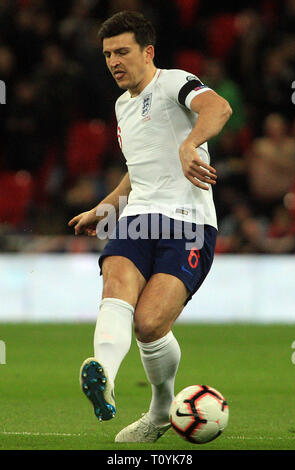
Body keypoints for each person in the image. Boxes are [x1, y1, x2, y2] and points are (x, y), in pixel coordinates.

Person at [68, 10, 232, 443]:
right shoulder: (122, 106)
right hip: (139, 218)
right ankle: (104, 375)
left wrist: (190, 143)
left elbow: (219, 106)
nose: (114, 62)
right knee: (115, 281)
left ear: (148, 51)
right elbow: (138, 171)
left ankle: (161, 411)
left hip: (190, 223)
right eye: (107, 54)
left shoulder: (174, 82)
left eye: (122, 51)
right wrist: (104, 207)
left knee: (150, 324)